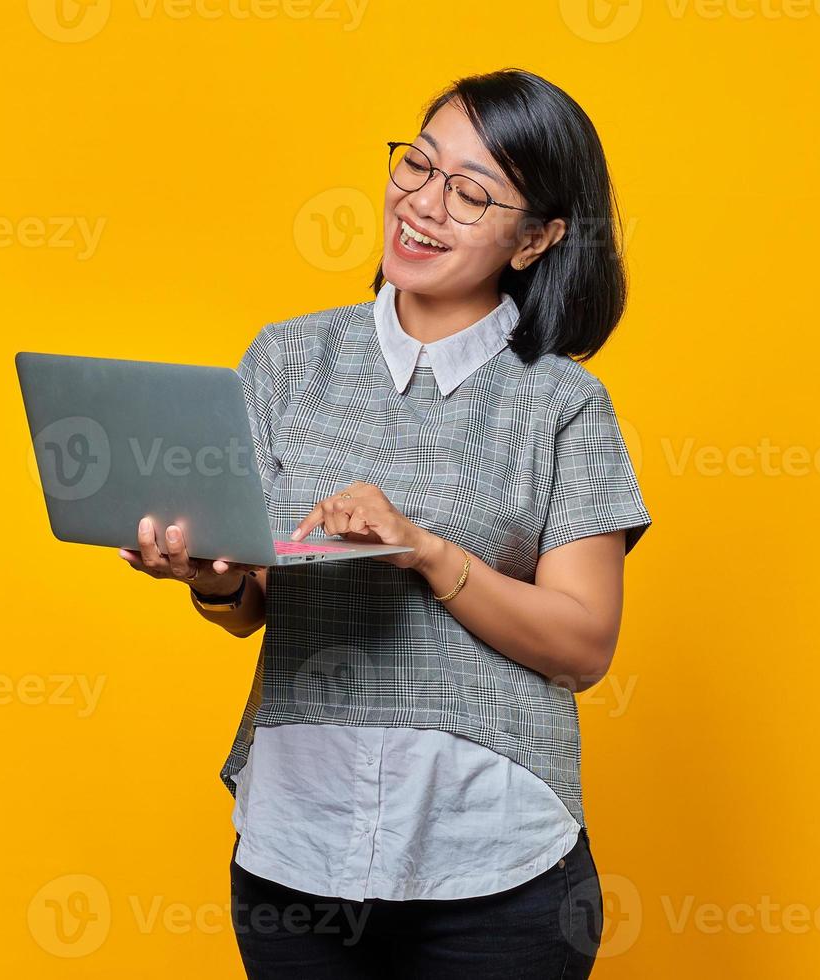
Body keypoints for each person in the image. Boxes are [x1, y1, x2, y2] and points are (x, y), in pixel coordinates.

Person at [119, 67, 651, 980]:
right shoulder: (286, 358)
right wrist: (209, 577)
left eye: (471, 191)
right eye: (418, 165)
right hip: (299, 847)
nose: (424, 204)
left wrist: (428, 553)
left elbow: (582, 645)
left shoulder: (564, 404)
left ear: (537, 240)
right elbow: (250, 600)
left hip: (497, 860)